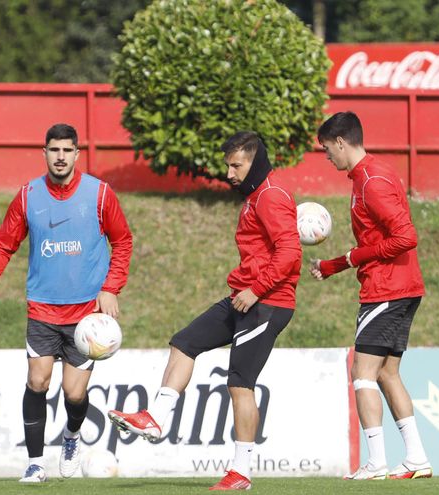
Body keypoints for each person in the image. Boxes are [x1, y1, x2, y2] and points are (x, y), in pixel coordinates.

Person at [107, 131, 301, 491]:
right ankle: (155, 418)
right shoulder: (256, 196)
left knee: (240, 384)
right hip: (245, 296)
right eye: (228, 165)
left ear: (255, 162)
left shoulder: (271, 196)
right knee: (185, 342)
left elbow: (290, 255)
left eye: (236, 165)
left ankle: (240, 472)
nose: (229, 173)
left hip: (268, 302)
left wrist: (257, 291)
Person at [0, 123, 133, 483]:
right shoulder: (28, 196)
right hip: (42, 308)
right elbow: (2, 245)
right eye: (53, 150)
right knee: (37, 381)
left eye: (66, 150)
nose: (60, 157)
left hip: (87, 314)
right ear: (44, 153)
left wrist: (112, 288)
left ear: (76, 154)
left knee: (74, 393)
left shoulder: (100, 194)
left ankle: (71, 437)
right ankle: (35, 463)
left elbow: (122, 242)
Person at [310, 111, 431, 481]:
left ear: (342, 142)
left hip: (386, 289)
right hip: (402, 285)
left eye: (327, 149)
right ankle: (417, 459)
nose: (327, 157)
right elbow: (377, 241)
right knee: (388, 373)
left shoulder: (371, 181)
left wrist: (352, 258)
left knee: (361, 373)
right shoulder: (375, 172)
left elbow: (405, 237)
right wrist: (336, 264)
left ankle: (376, 462)